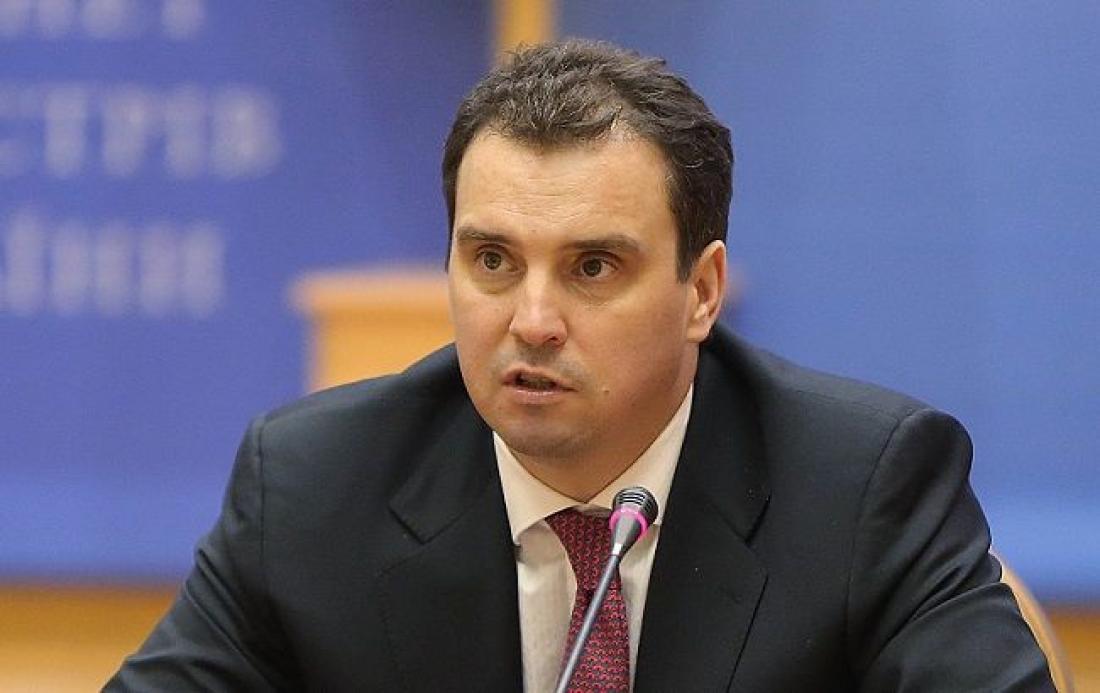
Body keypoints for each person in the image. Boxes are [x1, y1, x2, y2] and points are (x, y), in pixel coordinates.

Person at [108, 40, 1054, 691]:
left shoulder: (861, 491)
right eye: (492, 260)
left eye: (592, 267)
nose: (531, 321)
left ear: (701, 291)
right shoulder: (315, 488)